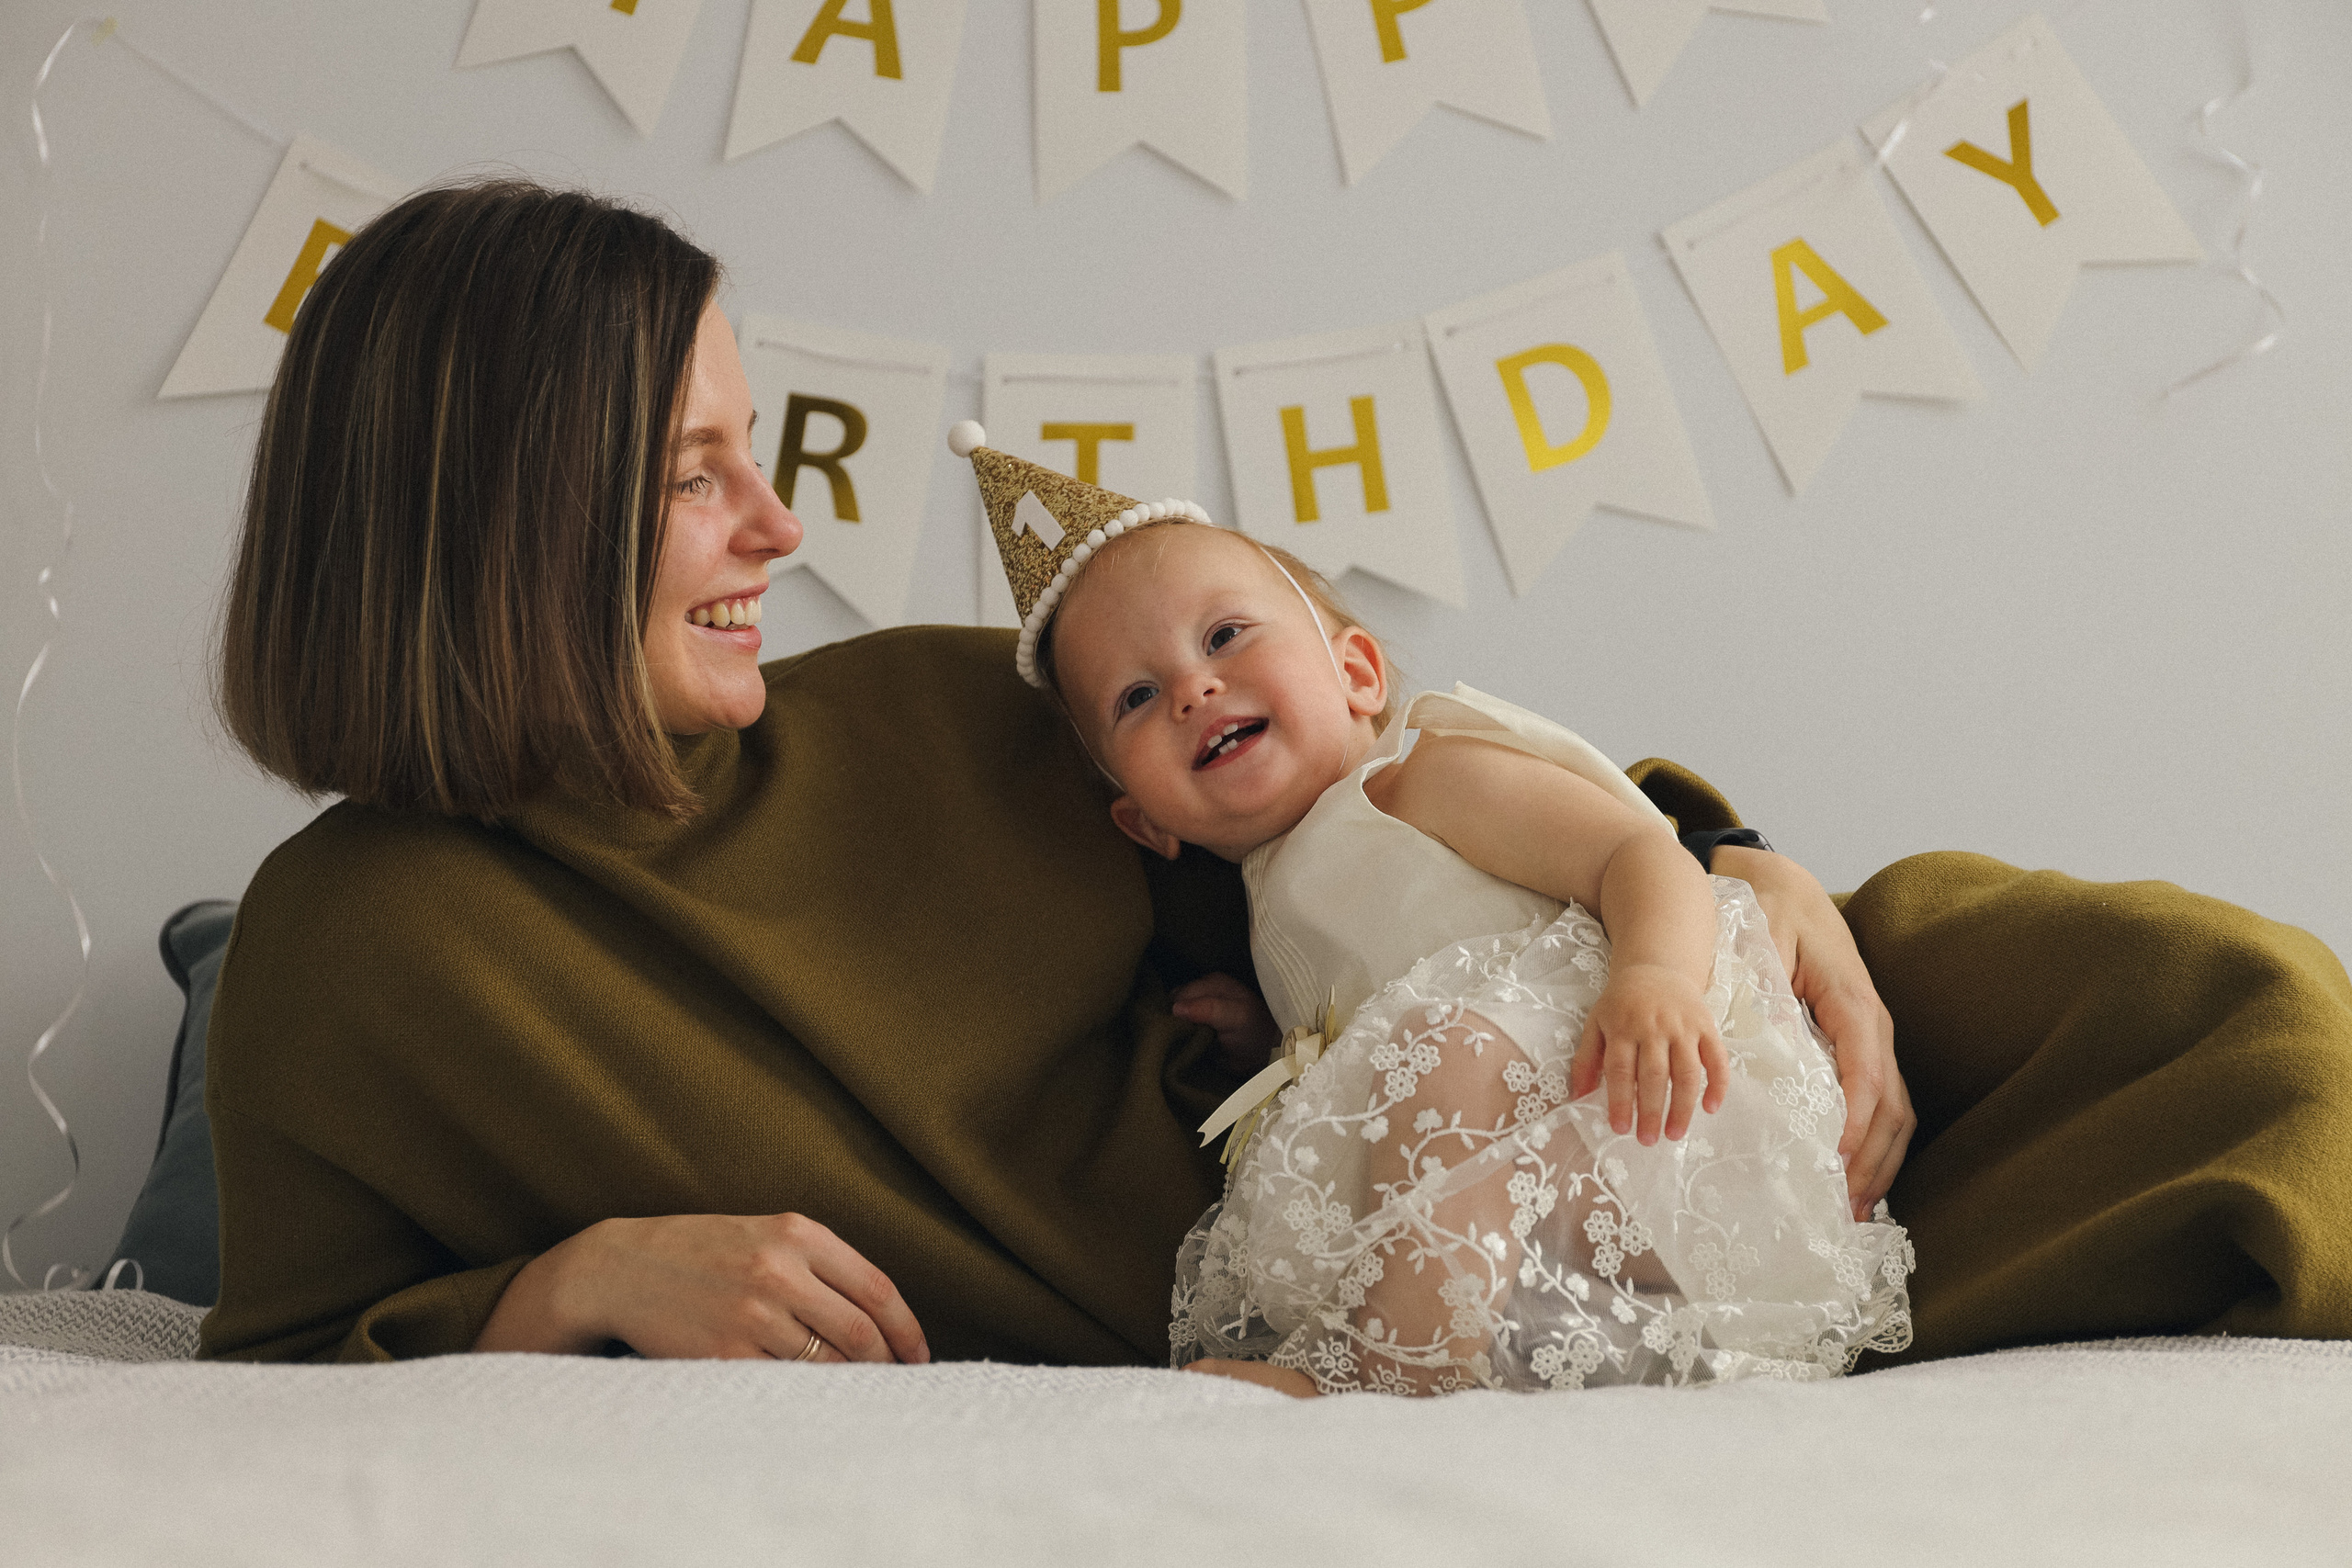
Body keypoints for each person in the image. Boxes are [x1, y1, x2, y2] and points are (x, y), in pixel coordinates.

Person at [954, 430, 1913, 1393]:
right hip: (1551, 1226)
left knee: (1448, 1047)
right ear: (1144, 822)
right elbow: (1378, 1035)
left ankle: (1379, 1373)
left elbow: (1637, 853)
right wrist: (1282, 1042)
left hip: (1661, 1107)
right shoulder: (1268, 903)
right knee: (1387, 1109)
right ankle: (1452, 1357)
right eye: (1136, 696)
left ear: (1358, 675)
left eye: (1224, 637)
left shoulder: (1421, 780)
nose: (1194, 691)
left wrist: (1654, 977)